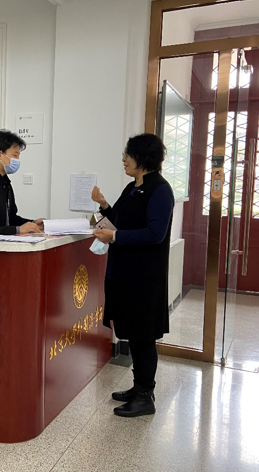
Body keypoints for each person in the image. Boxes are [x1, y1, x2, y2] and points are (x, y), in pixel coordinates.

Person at [91, 133, 174, 418]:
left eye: (128, 154)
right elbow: (120, 222)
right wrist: (104, 205)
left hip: (144, 277)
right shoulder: (132, 187)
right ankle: (139, 387)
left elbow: (155, 233)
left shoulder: (160, 190)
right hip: (124, 273)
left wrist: (114, 236)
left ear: (143, 157)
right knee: (134, 334)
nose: (124, 159)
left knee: (143, 336)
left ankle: (145, 396)